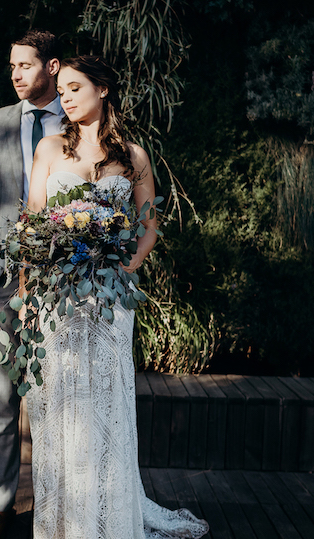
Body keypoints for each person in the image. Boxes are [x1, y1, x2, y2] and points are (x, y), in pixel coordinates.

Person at [24, 55, 209, 538]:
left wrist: (119, 269)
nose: (63, 96)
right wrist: (28, 292)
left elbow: (149, 227)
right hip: (57, 296)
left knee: (105, 400)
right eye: (60, 89)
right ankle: (67, 523)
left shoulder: (133, 156)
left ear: (103, 90)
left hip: (109, 299)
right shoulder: (48, 149)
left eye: (73, 87)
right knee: (62, 400)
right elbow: (32, 222)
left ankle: (109, 520)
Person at [0, 28, 65, 539]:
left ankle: (56, 506)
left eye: (25, 65)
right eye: (11, 67)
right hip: (4, 283)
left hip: (68, 283)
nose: (15, 74)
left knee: (62, 395)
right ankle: (0, 507)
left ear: (52, 67)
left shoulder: (79, 121)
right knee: (3, 395)